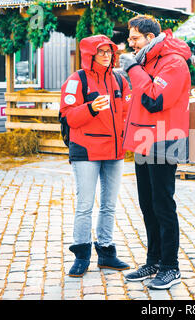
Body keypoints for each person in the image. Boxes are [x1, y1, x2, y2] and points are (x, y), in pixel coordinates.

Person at [119, 15, 191, 290]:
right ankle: (154, 261)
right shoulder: (147, 61)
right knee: (148, 205)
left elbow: (154, 99)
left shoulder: (174, 62)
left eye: (135, 38)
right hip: (143, 140)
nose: (130, 43)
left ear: (151, 38)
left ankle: (171, 267)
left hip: (165, 140)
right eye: (130, 38)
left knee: (163, 205)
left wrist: (133, 70)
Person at [60, 34, 132, 277]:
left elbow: (127, 114)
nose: (106, 55)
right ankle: (81, 255)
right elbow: (68, 116)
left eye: (109, 51)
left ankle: (106, 253)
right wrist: (90, 108)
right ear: (89, 55)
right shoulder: (76, 80)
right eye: (100, 51)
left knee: (109, 205)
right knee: (84, 205)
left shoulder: (119, 80)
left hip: (115, 151)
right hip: (86, 152)